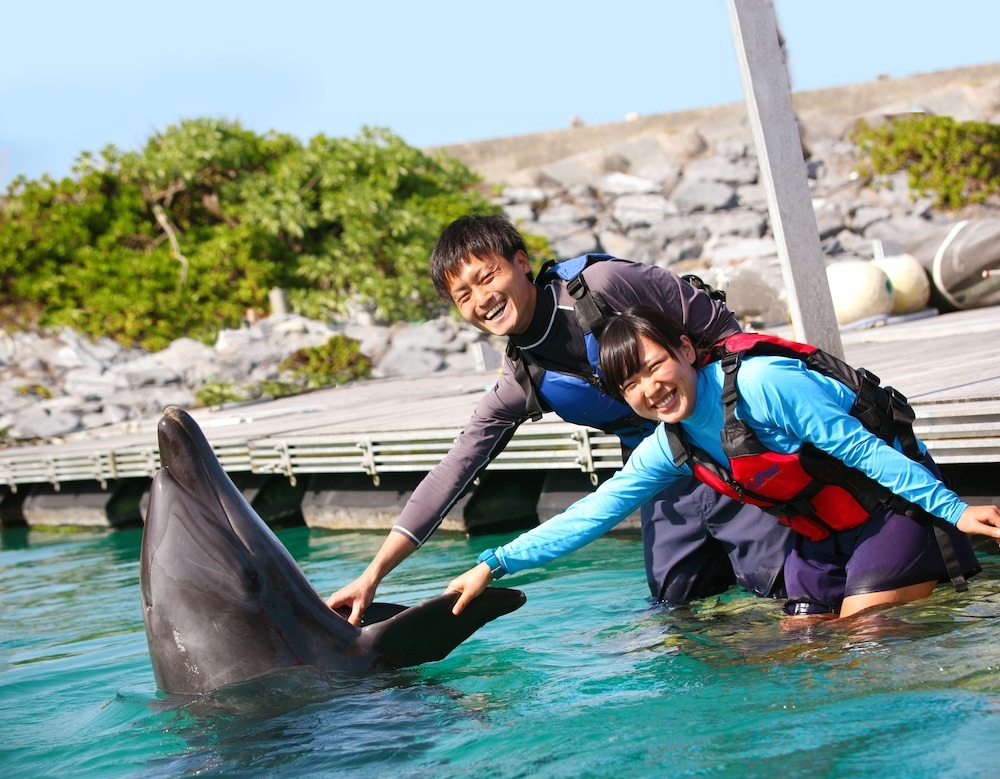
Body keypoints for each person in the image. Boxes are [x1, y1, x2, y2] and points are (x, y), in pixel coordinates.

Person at [327, 215, 791, 624]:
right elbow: (452, 473)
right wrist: (372, 576)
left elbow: (728, 336)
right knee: (678, 611)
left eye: (487, 276)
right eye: (463, 295)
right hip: (660, 472)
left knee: (784, 589)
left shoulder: (605, 285)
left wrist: (762, 438)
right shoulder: (521, 381)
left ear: (521, 262)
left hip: (731, 447)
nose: (482, 299)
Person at [446, 306, 999, 620]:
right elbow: (596, 511)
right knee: (801, 652)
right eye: (630, 385)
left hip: (894, 513)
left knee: (863, 636)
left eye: (653, 365)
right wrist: (494, 563)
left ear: (685, 350)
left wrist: (954, 511)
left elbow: (860, 449)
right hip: (823, 539)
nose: (650, 390)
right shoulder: (672, 444)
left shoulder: (762, 384)